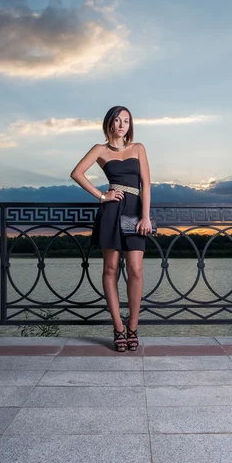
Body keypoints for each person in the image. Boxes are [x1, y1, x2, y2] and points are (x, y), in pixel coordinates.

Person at [70, 105, 152, 352]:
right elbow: (77, 173)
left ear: (130, 125)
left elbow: (146, 185)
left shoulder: (138, 148)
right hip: (112, 212)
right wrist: (101, 196)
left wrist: (146, 217)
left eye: (126, 121)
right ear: (110, 123)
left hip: (136, 212)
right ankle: (118, 328)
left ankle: (133, 327)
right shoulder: (100, 149)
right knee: (111, 268)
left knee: (136, 269)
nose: (122, 125)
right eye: (117, 120)